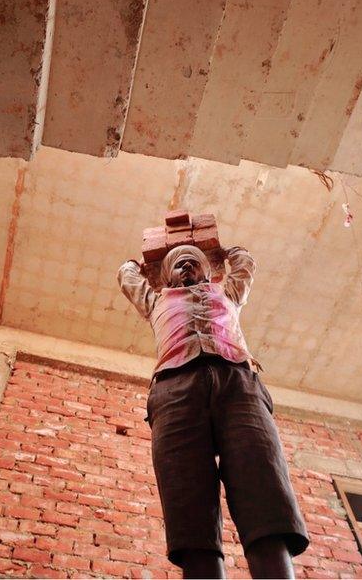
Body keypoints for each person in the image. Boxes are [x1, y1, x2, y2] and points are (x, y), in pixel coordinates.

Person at [117, 244, 309, 579]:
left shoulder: (228, 293)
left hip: (239, 384)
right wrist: (140, 263)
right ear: (165, 278)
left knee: (263, 488)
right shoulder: (156, 301)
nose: (186, 261)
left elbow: (246, 264)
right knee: (187, 502)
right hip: (175, 389)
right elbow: (126, 275)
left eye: (194, 259)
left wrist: (227, 250)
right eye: (177, 262)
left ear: (210, 271)